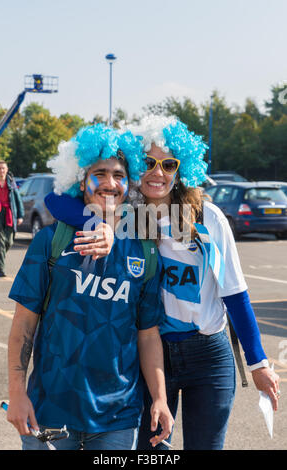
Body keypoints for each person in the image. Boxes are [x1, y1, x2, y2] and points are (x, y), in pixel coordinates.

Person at [48, 116, 281, 450]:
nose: (158, 172)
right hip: (150, 354)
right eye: (148, 162)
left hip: (208, 355)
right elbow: (55, 202)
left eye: (168, 164)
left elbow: (236, 295)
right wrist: (100, 224)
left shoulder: (207, 217)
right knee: (151, 453)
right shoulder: (125, 213)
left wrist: (258, 363)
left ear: (181, 169)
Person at [7, 124, 173, 451]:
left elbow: (148, 333)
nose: (110, 183)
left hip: (118, 417)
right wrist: (16, 393)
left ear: (130, 183)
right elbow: (24, 324)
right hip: (50, 410)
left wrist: (160, 398)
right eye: (100, 173)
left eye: (119, 175)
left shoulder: (145, 249)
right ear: (82, 180)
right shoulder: (50, 241)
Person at [0, 160, 24, 277]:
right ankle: (1, 269)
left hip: (9, 213)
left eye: (3, 168)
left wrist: (20, 215)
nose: (1, 170)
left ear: (7, 170)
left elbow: (18, 199)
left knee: (9, 241)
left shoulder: (11, 182)